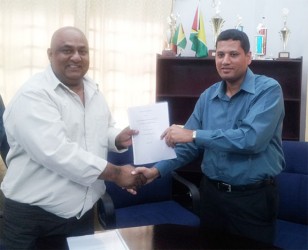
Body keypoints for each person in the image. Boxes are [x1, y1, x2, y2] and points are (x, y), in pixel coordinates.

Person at [133, 29, 285, 244]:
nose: (225, 61)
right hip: (212, 196)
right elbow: (188, 146)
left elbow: (251, 140)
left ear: (249, 57)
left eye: (233, 54)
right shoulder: (208, 96)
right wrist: (156, 171)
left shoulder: (268, 90)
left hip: (252, 199)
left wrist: (194, 134)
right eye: (220, 54)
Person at [1, 26, 145, 250]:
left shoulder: (93, 90)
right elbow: (58, 153)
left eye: (83, 51)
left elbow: (98, 129)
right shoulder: (33, 95)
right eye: (66, 50)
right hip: (33, 218)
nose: (76, 57)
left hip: (82, 213)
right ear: (50, 54)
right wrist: (116, 174)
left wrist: (117, 138)